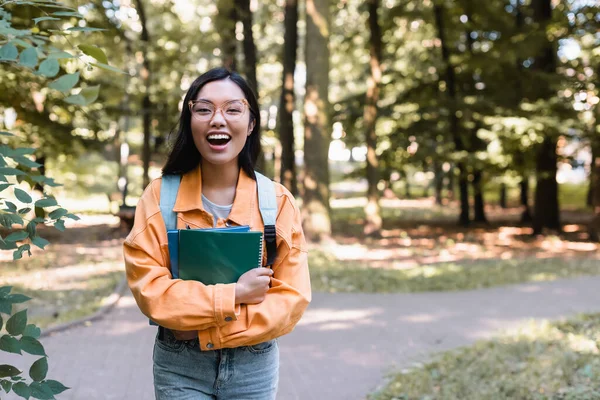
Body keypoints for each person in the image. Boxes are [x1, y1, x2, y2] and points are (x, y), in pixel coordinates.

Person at [123, 67, 311, 399]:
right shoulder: (159, 198)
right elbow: (151, 291)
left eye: (233, 109)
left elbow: (291, 299)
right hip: (180, 365)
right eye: (205, 109)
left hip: (253, 362)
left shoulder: (277, 203)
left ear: (251, 123)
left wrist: (208, 328)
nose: (218, 120)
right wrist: (234, 294)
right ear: (190, 119)